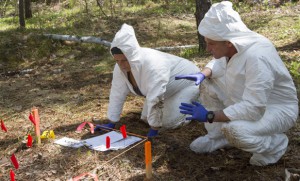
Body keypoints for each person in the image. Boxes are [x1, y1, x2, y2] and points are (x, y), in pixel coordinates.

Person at [175, 1, 298, 166]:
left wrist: (210, 116)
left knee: (235, 131)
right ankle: (217, 137)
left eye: (211, 43)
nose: (207, 48)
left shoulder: (257, 56)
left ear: (228, 42)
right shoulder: (232, 46)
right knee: (206, 83)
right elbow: (217, 64)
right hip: (245, 99)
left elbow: (254, 107)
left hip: (275, 109)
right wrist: (202, 74)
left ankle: (274, 145)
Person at [96, 23, 200, 137]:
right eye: (117, 60)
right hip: (167, 90)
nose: (121, 65)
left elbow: (156, 97)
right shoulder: (120, 67)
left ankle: (198, 100)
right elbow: (117, 92)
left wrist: (154, 129)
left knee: (168, 123)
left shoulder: (154, 65)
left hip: (188, 83)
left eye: (124, 60)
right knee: (145, 118)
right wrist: (112, 121)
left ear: (132, 56)